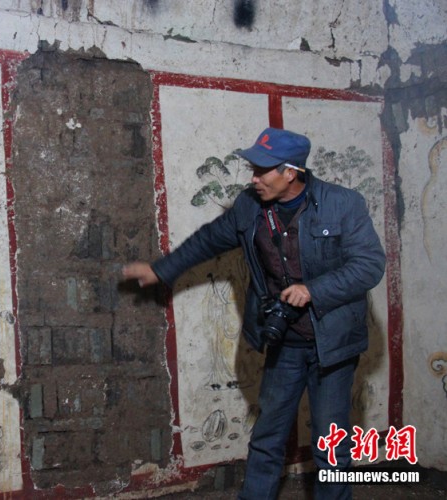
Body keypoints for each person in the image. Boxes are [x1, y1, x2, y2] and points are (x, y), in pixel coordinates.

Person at [123, 128, 386, 499]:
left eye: (263, 170)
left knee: (330, 445)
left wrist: (313, 290)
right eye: (253, 169)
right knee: (267, 439)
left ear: (290, 172)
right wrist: (161, 270)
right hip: (284, 341)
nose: (254, 178)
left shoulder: (343, 204)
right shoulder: (249, 206)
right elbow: (207, 240)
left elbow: (369, 265)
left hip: (333, 345)